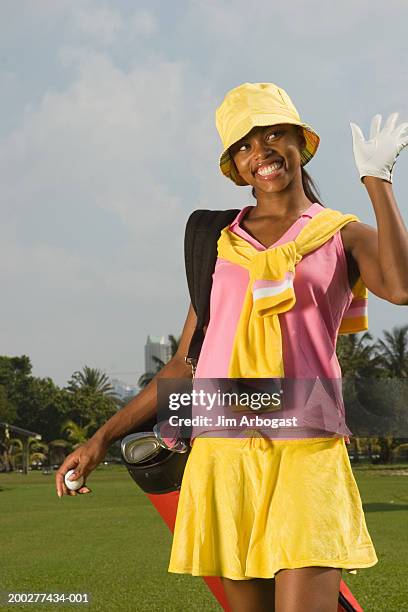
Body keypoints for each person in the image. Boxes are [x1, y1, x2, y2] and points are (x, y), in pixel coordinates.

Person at [56, 82, 408, 612]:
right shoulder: (215, 241)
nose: (261, 152)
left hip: (306, 453)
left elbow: (401, 288)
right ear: (235, 166)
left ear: (300, 142)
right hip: (222, 458)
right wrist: (100, 439)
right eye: (244, 146)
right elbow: (183, 364)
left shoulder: (341, 234)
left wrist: (377, 181)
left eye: (273, 135)